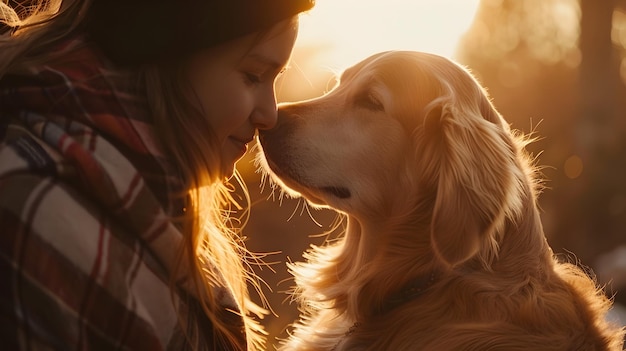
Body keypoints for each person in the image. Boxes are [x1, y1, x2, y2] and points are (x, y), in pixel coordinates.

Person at [0, 0, 315, 350]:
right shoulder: (37, 219)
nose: (270, 115)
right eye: (253, 76)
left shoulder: (155, 210)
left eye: (275, 79)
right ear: (170, 53)